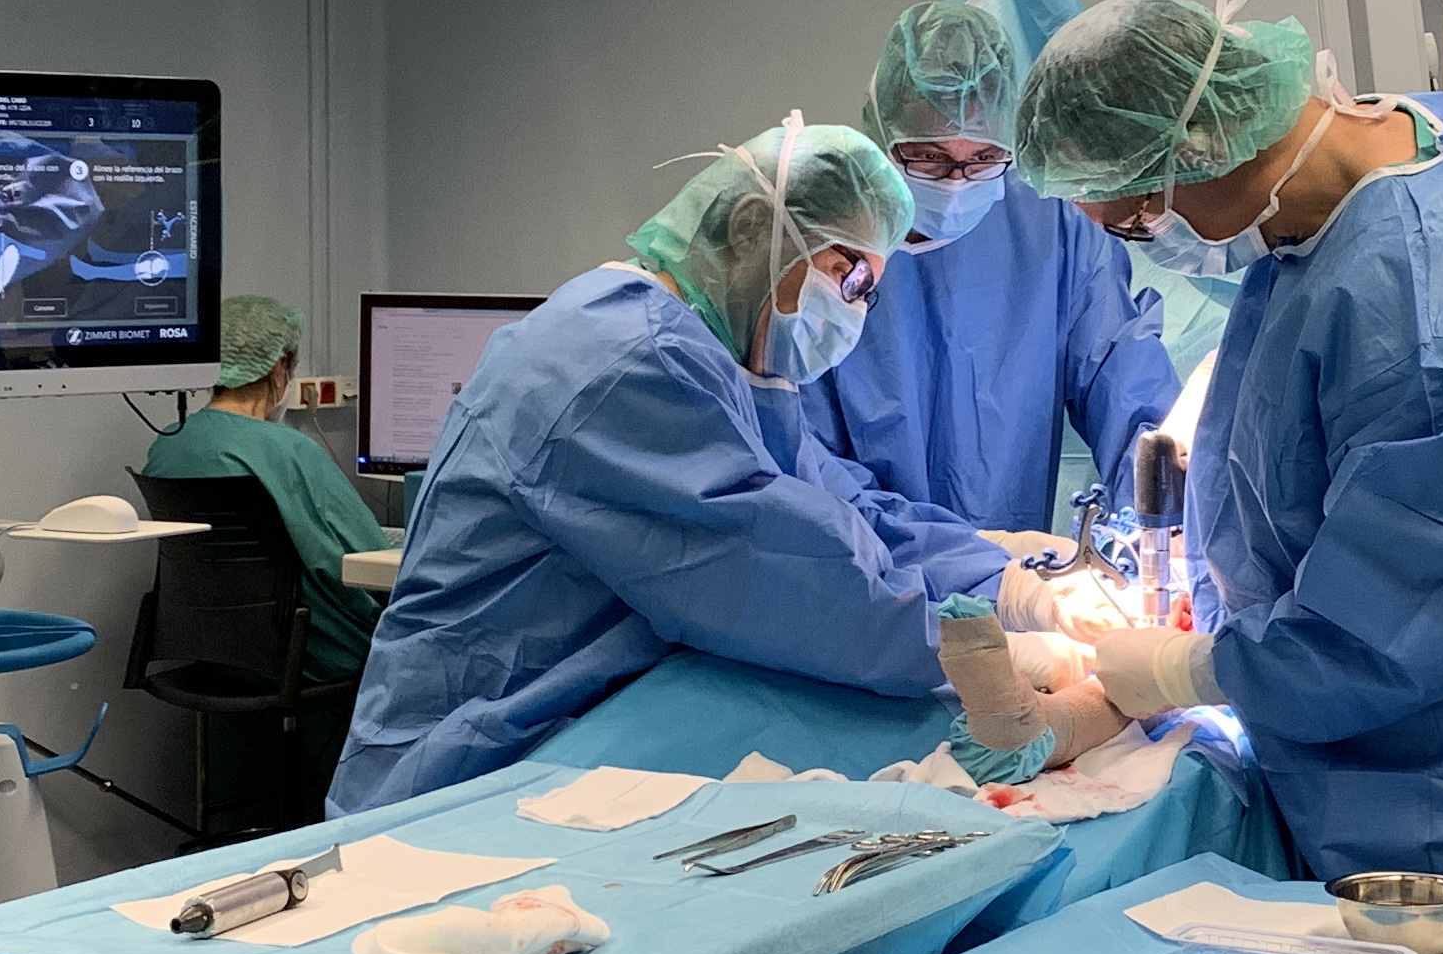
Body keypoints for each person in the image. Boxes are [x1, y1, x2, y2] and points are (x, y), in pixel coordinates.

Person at [1013, 0, 1443, 919]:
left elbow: (1405, 611)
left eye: (1136, 220)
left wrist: (1189, 672)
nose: (1149, 244)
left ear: (1203, 145)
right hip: (1401, 753)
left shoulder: (1437, 303)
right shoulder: (1375, 169)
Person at [329, 118, 1009, 807]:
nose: (855, 307)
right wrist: (982, 650)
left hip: (570, 737)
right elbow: (793, 581)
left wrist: (1008, 580)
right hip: (475, 771)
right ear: (753, 228)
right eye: (849, 274)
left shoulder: (718, 364)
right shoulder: (623, 360)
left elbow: (845, 508)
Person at [814, 0, 1176, 536]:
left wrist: (1158, 521)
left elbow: (1127, 389)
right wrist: (930, 555)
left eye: (984, 158)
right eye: (929, 157)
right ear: (883, 136)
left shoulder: (1054, 224)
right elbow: (805, 455)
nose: (957, 182)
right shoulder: (826, 232)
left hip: (1010, 561)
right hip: (861, 561)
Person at [140, 294, 391, 690]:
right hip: (310, 655)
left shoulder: (168, 443)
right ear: (279, 367)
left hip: (213, 653)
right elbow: (359, 558)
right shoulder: (291, 451)